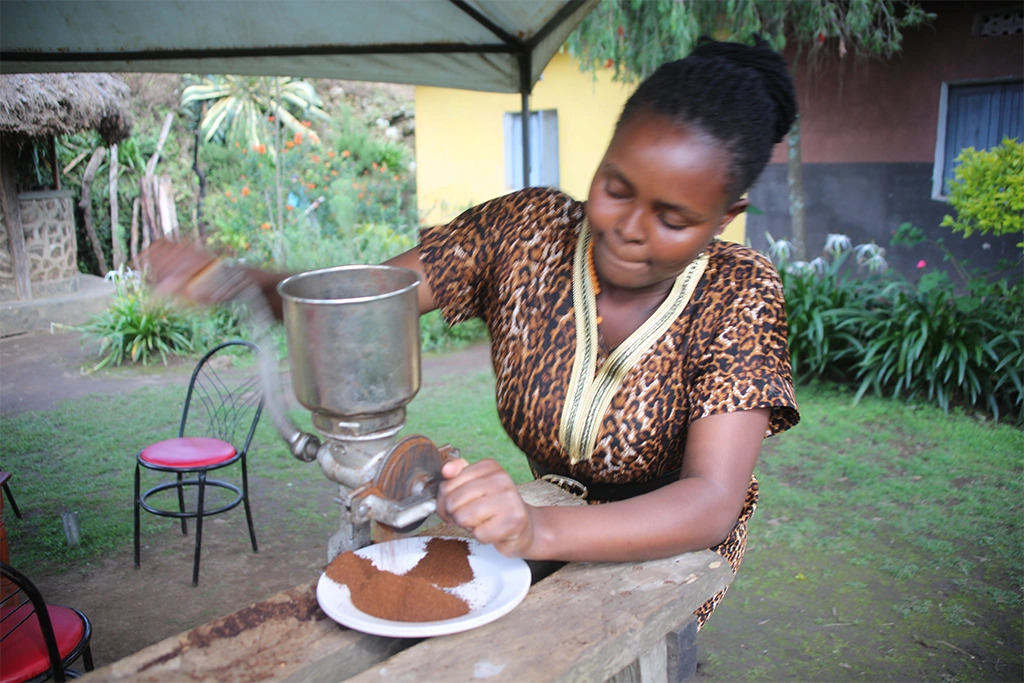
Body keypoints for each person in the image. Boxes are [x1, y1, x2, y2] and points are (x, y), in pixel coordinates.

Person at [142, 37, 800, 628]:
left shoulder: (739, 293)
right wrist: (233, 276)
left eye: (674, 217)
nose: (630, 227)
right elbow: (365, 298)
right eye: (616, 187)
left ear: (724, 216)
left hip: (665, 561)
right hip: (536, 526)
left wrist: (536, 527)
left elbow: (712, 498)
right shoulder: (526, 232)